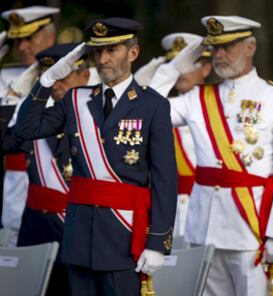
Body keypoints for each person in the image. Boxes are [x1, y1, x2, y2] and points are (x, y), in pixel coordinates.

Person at [13, 17, 177, 295]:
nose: (103, 58)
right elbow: (27, 129)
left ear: (133, 53)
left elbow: (165, 180)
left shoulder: (153, 105)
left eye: (112, 50)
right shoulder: (76, 99)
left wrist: (157, 242)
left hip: (122, 235)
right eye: (98, 51)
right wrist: (47, 79)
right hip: (78, 236)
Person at [150, 15, 273, 295]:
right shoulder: (197, 97)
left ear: (250, 47)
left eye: (228, 46)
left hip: (250, 229)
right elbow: (149, 109)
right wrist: (178, 64)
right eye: (214, 47)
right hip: (202, 228)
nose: (219, 54)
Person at [2, 43, 91, 296]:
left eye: (62, 76)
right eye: (50, 78)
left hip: (73, 223)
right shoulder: (36, 119)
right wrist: (11, 98)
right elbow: (5, 143)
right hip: (34, 224)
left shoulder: (97, 116)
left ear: (84, 75)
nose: (56, 85)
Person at [137, 32, 212, 237]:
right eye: (176, 65)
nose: (181, 72)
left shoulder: (218, 106)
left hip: (209, 207)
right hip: (169, 209)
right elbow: (141, 110)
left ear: (206, 68)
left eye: (187, 65)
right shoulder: (165, 105)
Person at [0, 5, 59, 244]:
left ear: (51, 36)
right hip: (17, 184)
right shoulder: (5, 76)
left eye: (30, 38)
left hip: (60, 184)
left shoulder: (80, 75)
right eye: (17, 41)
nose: (22, 47)